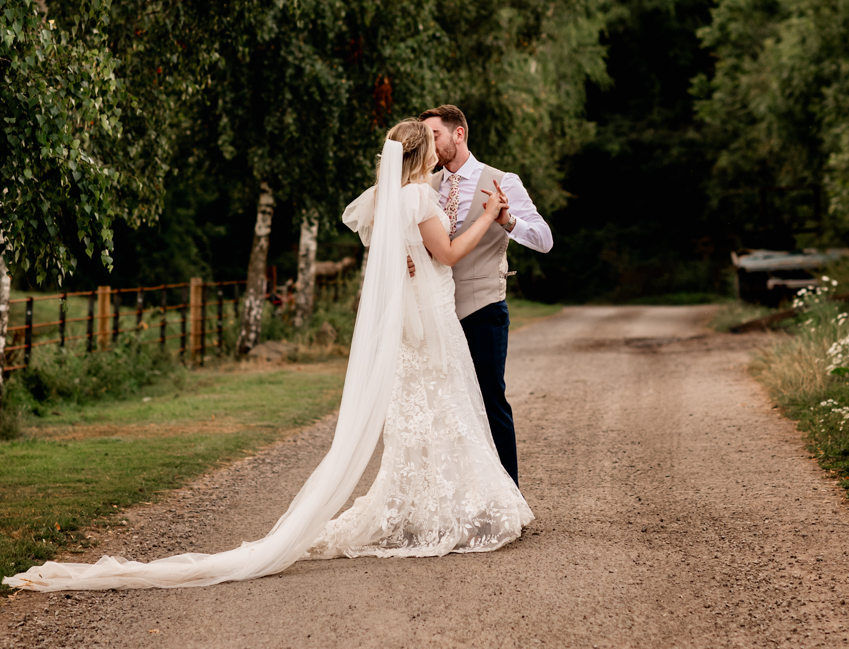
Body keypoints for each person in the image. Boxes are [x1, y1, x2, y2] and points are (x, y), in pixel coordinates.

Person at [3, 121, 533, 592]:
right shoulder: (418, 198)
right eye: (431, 145)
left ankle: (427, 511)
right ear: (421, 155)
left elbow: (397, 257)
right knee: (447, 411)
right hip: (431, 322)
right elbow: (450, 253)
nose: (439, 151)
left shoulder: (385, 200)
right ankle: (449, 512)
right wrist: (489, 214)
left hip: (413, 328)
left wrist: (412, 261)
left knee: (425, 418)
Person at [418, 105, 553, 487]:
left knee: (490, 401)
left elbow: (544, 240)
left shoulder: (502, 181)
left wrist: (507, 221)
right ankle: (461, 495)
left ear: (458, 134)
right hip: (436, 312)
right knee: (446, 407)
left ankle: (509, 497)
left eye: (434, 136)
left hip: (483, 309)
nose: (429, 145)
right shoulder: (425, 187)